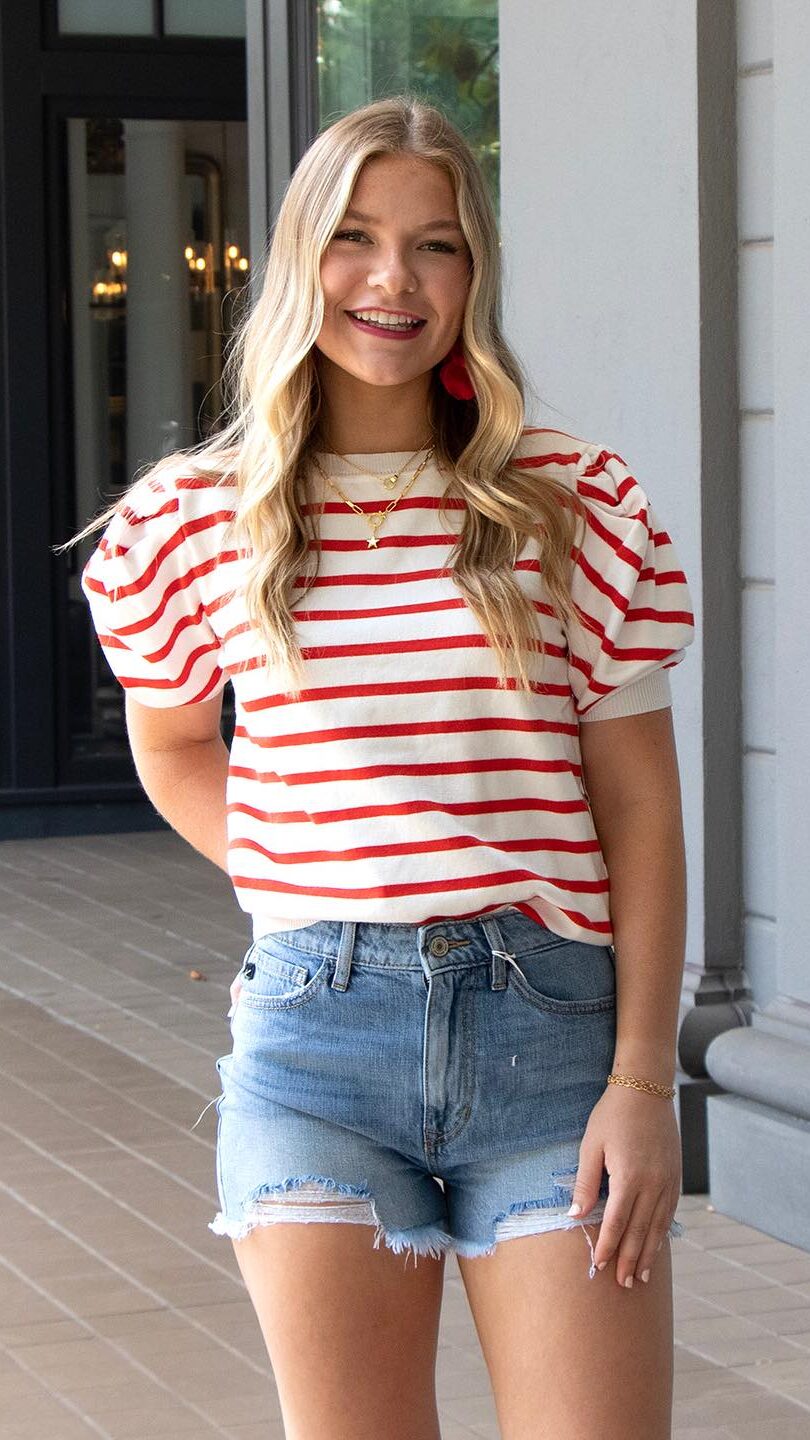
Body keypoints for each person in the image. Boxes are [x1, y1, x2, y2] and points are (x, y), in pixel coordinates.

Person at [72, 94, 696, 1440]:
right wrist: (327, 860)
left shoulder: (570, 501)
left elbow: (640, 806)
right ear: (298, 256)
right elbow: (177, 749)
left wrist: (644, 1082)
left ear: (476, 272)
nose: (392, 280)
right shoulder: (190, 519)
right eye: (354, 237)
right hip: (316, 1047)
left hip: (554, 1046)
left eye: (437, 243)